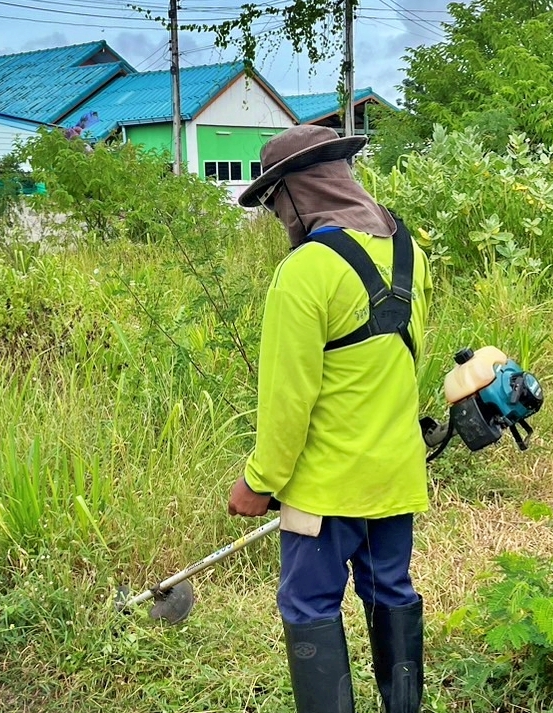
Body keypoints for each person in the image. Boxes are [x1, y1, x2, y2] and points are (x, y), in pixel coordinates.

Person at [227, 124, 433, 713]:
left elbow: (288, 401)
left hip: (323, 489)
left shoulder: (306, 270)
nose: (276, 216)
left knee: (309, 607)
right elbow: (402, 363)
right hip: (395, 474)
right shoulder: (409, 252)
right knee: (390, 593)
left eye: (274, 203)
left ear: (296, 193)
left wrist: (259, 482)